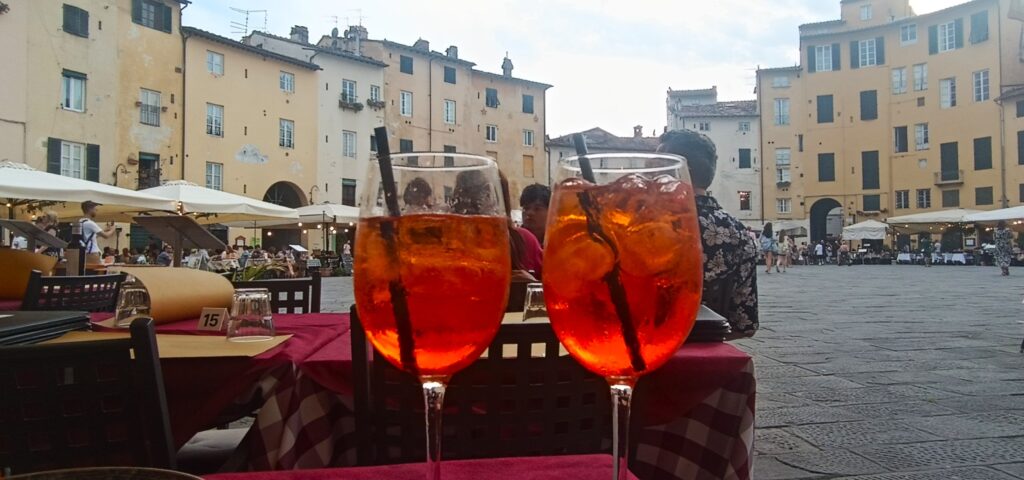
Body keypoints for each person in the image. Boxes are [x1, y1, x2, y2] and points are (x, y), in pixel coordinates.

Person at [657, 129, 758, 338]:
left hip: (644, 345)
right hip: (707, 344)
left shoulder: (642, 226)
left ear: (678, 171)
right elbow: (745, 325)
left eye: (657, 165)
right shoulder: (740, 235)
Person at [79, 201, 116, 265]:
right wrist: (113, 229)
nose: (96, 210)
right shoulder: (90, 223)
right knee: (96, 270)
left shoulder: (80, 221)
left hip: (84, 252)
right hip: (92, 253)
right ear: (90, 209)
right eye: (95, 208)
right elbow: (106, 236)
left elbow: (90, 237)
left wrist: (105, 229)